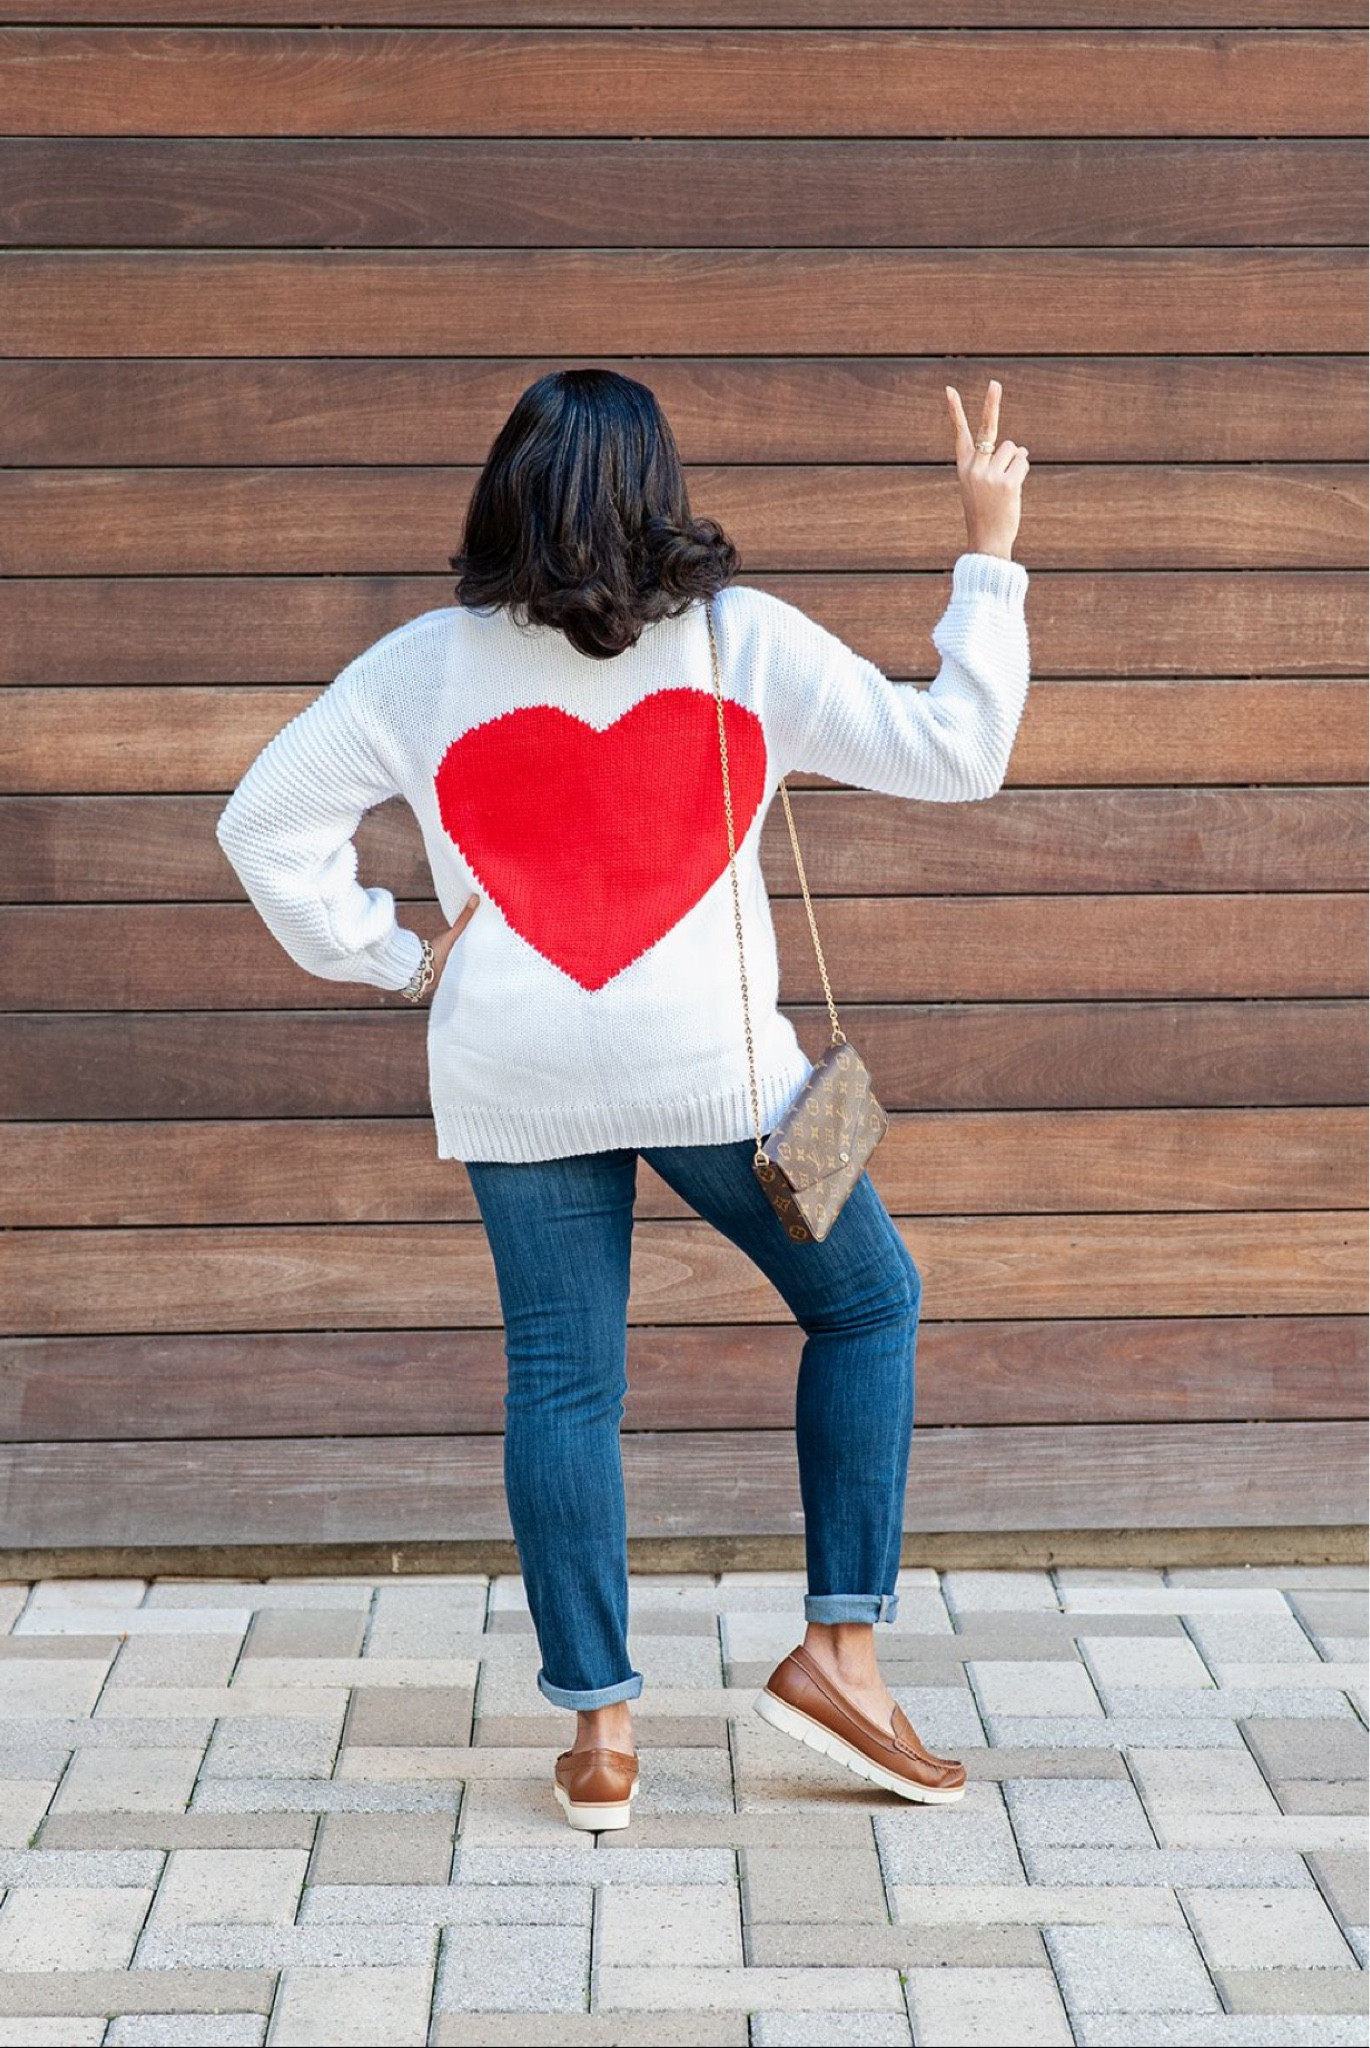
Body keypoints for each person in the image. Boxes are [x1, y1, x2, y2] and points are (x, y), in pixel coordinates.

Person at [215, 367, 1031, 1831]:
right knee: (868, 1303)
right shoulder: (738, 639)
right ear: (660, 493)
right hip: (719, 1073)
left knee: (564, 1382)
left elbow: (263, 822)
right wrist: (985, 553)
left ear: (504, 493)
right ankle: (840, 1657)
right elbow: (958, 755)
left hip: (506, 1071)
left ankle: (600, 1738)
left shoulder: (421, 666)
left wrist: (395, 956)